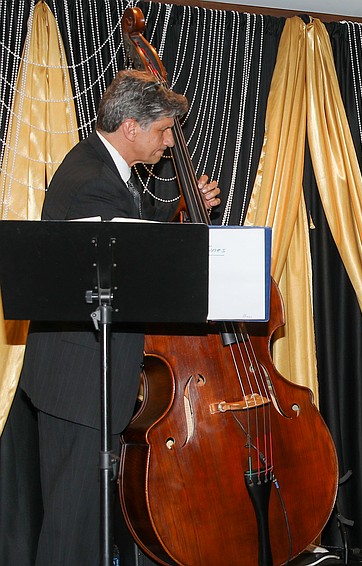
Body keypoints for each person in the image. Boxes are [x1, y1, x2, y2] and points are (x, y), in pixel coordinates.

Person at [4, 68, 220, 566]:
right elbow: (129, 277)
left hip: (80, 380)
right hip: (81, 382)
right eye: (163, 130)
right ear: (131, 127)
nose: (170, 142)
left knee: (81, 523)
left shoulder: (100, 167)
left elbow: (123, 248)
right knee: (72, 527)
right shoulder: (94, 182)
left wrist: (178, 213)